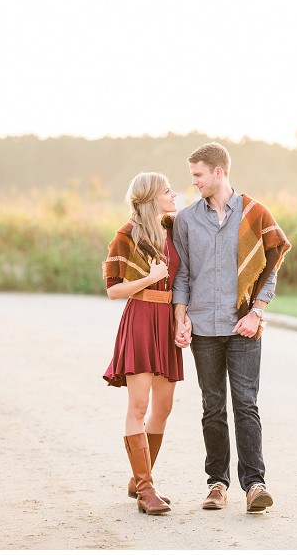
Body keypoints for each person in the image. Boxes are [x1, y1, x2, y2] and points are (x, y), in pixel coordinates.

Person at [172, 142, 291, 514]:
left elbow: (269, 267)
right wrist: (181, 317)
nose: (193, 183)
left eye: (198, 175)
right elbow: (183, 275)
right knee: (212, 407)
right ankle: (217, 484)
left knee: (246, 405)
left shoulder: (254, 213)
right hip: (203, 328)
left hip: (244, 327)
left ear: (218, 172)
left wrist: (256, 311)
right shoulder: (186, 220)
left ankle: (255, 485)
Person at [102, 172, 182, 516]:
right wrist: (149, 278)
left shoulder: (173, 231)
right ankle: (147, 489)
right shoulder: (125, 235)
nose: (173, 194)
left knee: (163, 409)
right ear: (151, 197)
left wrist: (182, 317)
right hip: (140, 319)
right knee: (138, 407)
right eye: (167, 191)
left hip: (167, 323)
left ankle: (139, 478)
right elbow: (113, 289)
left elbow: (184, 278)